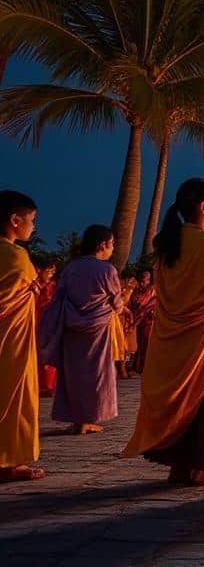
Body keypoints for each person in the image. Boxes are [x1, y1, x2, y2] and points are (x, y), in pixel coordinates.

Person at [122, 179, 204, 485]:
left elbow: (166, 292)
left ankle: (179, 466)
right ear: (203, 207)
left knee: (183, 397)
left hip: (172, 334)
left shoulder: (168, 245)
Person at [38, 225, 120, 436]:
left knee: (73, 375)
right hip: (98, 330)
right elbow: (116, 302)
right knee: (97, 375)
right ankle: (88, 420)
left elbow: (58, 297)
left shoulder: (71, 268)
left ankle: (77, 420)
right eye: (112, 244)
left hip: (71, 327)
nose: (113, 249)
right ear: (103, 245)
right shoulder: (107, 270)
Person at [0, 191, 43, 482]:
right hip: (11, 341)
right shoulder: (15, 255)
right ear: (15, 220)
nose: (34, 227)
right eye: (31, 220)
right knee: (13, 398)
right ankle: (9, 461)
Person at [32, 257, 58, 396]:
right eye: (49, 270)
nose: (51, 274)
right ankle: (37, 384)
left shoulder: (52, 286)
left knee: (48, 355)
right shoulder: (32, 286)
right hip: (34, 323)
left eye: (53, 271)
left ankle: (48, 385)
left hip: (49, 325)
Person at [129, 268, 156, 374]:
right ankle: (137, 365)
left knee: (146, 342)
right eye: (141, 279)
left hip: (147, 320)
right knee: (138, 342)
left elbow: (150, 304)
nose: (142, 281)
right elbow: (134, 302)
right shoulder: (137, 289)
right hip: (137, 318)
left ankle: (145, 366)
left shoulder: (152, 289)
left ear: (149, 279)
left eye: (144, 279)